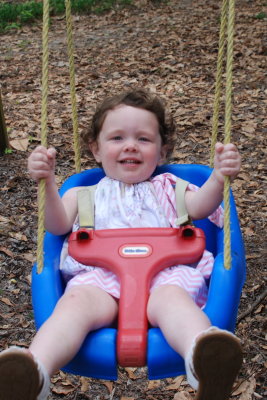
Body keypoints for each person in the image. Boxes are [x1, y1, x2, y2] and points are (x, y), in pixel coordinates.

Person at [0, 89, 242, 400]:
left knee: (173, 301)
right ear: (96, 149)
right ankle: (33, 374)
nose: (130, 145)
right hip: (99, 284)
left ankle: (205, 359)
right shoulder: (83, 194)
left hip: (166, 278)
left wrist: (220, 176)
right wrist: (46, 182)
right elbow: (56, 225)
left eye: (143, 139)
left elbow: (202, 208)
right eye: (117, 138)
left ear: (162, 151)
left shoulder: (172, 188)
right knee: (74, 306)